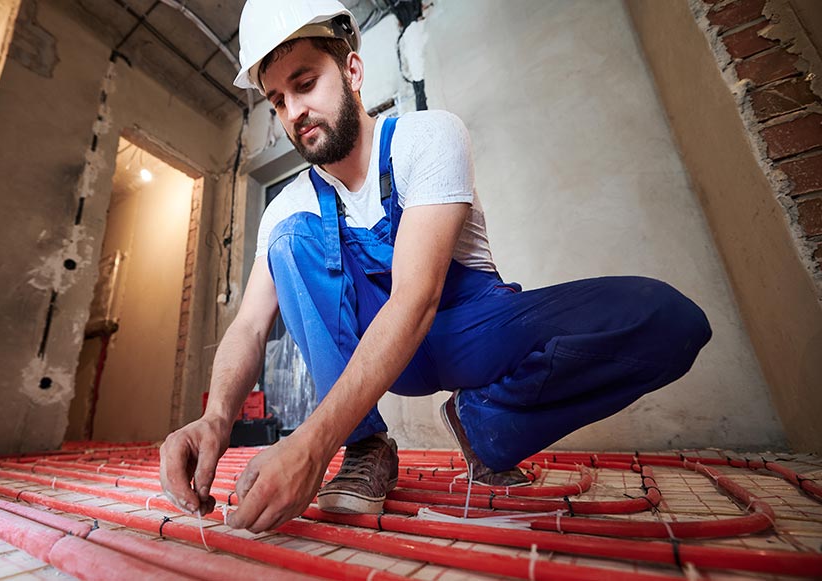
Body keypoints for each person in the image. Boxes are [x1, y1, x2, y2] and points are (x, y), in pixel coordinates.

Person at [159, 0, 712, 533]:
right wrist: (216, 420)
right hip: (378, 352)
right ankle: (366, 444)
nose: (293, 113)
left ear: (352, 70)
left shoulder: (427, 137)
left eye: (304, 84)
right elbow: (251, 326)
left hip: (468, 332)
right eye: (277, 100)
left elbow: (415, 300)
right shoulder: (289, 208)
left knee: (667, 320)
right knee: (287, 238)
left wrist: (309, 443)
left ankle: (484, 423)